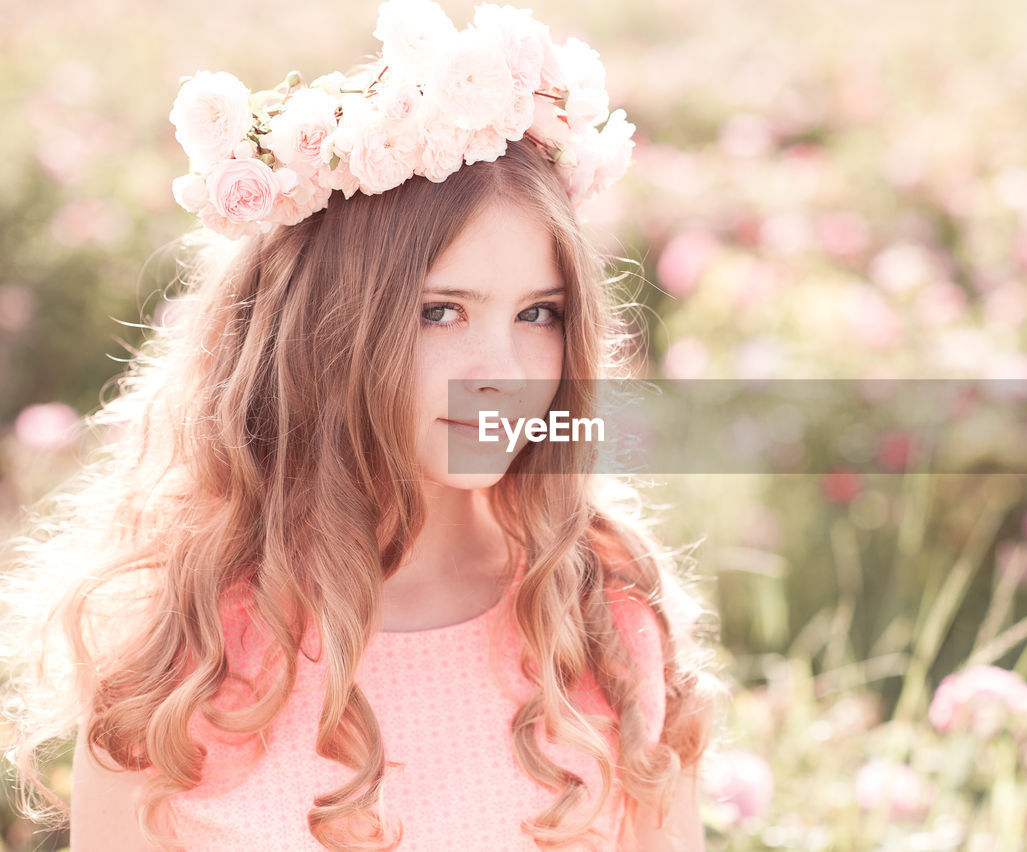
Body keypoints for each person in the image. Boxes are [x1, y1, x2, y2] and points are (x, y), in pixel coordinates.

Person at [0, 2, 726, 849]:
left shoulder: (604, 622)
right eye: (440, 312)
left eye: (538, 314)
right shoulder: (179, 652)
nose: (502, 372)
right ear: (326, 330)